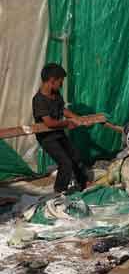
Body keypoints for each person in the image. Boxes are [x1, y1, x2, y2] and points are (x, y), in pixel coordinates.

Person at [32, 63, 88, 193]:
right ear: (52, 80)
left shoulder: (55, 93)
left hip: (58, 133)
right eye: (60, 81)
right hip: (47, 138)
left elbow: (62, 109)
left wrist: (77, 118)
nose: (61, 85)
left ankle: (83, 184)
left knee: (75, 156)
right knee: (65, 163)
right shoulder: (39, 100)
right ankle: (59, 192)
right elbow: (49, 123)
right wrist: (68, 123)